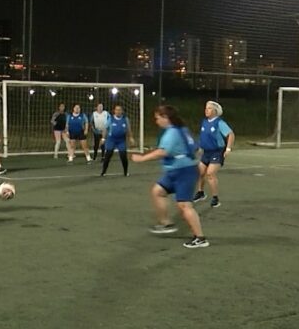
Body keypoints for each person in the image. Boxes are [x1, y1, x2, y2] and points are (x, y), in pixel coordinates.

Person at [131, 105, 209, 248]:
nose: (156, 121)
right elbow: (195, 148)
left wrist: (141, 159)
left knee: (184, 205)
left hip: (183, 172)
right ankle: (166, 224)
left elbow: (163, 152)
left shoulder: (172, 133)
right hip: (178, 171)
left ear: (166, 118)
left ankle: (200, 238)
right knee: (158, 192)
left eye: (158, 118)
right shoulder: (182, 129)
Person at [192, 101, 234, 208]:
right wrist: (200, 147)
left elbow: (230, 134)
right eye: (206, 108)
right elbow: (204, 137)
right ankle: (201, 193)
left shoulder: (219, 123)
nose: (206, 110)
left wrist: (228, 149)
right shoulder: (204, 122)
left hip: (217, 151)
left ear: (215, 111)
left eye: (209, 108)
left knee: (210, 173)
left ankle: (215, 198)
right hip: (206, 152)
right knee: (200, 172)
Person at [100, 104, 135, 177]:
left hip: (121, 140)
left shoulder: (125, 119)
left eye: (119, 110)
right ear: (114, 111)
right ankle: (103, 172)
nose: (118, 111)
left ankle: (125, 172)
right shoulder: (111, 119)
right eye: (116, 110)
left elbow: (128, 129)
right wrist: (103, 138)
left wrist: (131, 138)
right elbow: (105, 129)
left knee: (123, 156)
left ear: (122, 111)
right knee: (108, 155)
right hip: (111, 139)